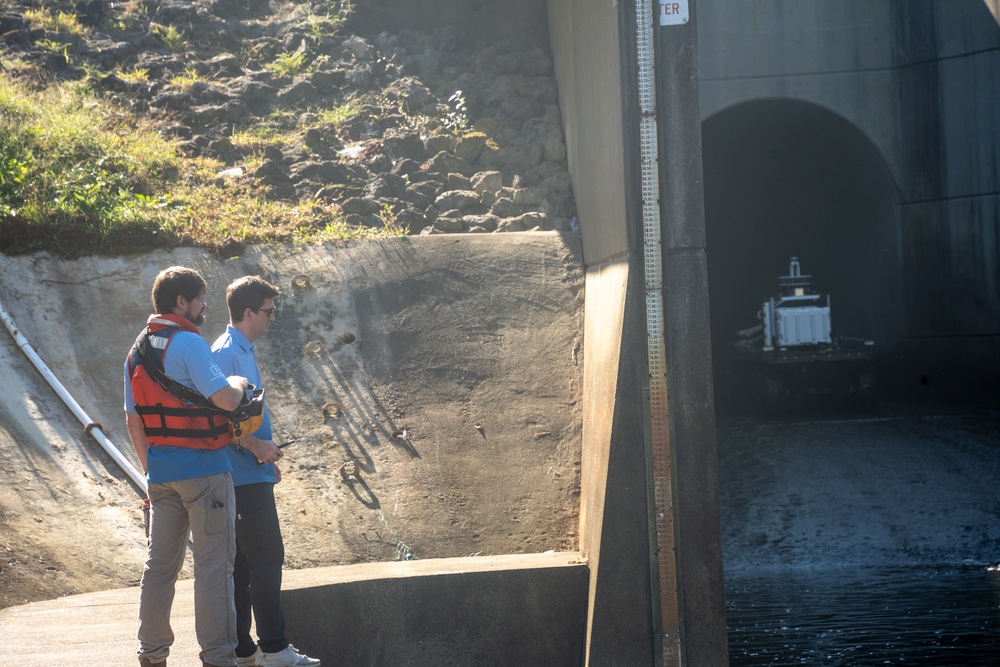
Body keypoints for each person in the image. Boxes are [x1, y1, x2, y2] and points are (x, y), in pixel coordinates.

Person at [124, 266, 261, 667]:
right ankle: (219, 657)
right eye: (200, 298)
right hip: (205, 471)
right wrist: (238, 382)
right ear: (181, 302)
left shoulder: (136, 350)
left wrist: (152, 472)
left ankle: (151, 654)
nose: (204, 305)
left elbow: (134, 421)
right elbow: (224, 400)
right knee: (214, 567)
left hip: (162, 475)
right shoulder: (188, 342)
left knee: (159, 568)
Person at [212, 276, 321, 667]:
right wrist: (257, 448)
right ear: (248, 313)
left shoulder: (241, 350)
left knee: (243, 564)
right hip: (239, 477)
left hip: (248, 473)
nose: (273, 318)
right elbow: (216, 420)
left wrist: (262, 456)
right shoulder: (226, 354)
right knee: (266, 558)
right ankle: (274, 648)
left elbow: (243, 416)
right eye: (270, 311)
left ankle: (245, 651)